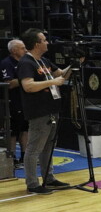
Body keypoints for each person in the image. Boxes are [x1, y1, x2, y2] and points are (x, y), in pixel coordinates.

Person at [17, 29, 71, 194]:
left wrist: (75, 64)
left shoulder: (44, 60)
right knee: (34, 148)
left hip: (52, 109)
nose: (47, 42)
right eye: (44, 40)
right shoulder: (27, 62)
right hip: (39, 111)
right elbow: (28, 86)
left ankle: (49, 178)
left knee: (48, 147)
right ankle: (32, 183)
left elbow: (61, 75)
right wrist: (52, 82)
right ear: (36, 44)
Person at [0, 40, 29, 167]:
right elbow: (9, 83)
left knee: (25, 129)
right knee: (12, 131)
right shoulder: (7, 63)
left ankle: (25, 156)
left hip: (25, 101)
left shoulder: (25, 62)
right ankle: (11, 158)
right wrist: (26, 79)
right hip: (12, 102)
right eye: (22, 48)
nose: (26, 50)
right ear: (14, 51)